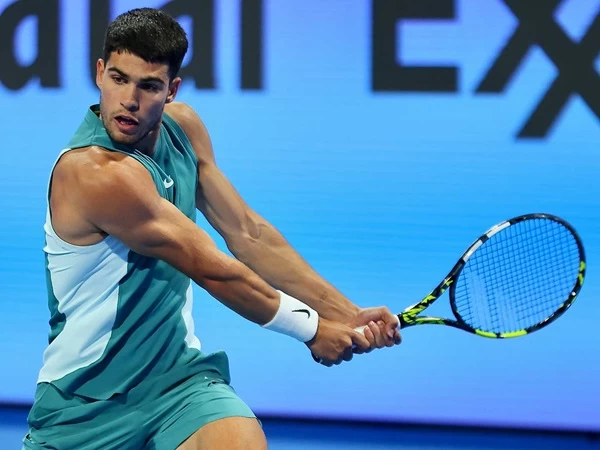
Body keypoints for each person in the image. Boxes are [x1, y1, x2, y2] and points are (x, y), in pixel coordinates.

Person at [23, 8, 401, 450]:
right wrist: (313, 329)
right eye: (119, 79)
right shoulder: (93, 173)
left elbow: (248, 234)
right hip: (82, 406)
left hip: (178, 385)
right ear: (99, 73)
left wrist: (345, 313)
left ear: (171, 90)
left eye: (149, 86)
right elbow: (212, 269)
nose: (129, 100)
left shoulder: (183, 129)